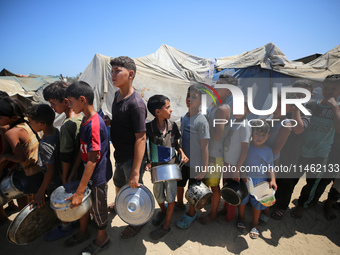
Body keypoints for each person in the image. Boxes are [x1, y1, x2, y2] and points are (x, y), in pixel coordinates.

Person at [63, 81, 112, 254]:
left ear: (82, 99)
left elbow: (92, 159)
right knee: (90, 206)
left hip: (97, 175)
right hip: (86, 172)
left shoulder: (94, 124)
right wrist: (76, 168)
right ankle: (85, 232)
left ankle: (102, 237)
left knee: (99, 207)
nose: (69, 105)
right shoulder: (85, 118)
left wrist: (79, 191)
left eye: (70, 101)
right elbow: (83, 149)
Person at [291, 74, 340, 218]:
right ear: (322, 88)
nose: (329, 91)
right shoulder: (312, 105)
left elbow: (338, 128)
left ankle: (301, 205)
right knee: (292, 178)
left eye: (334, 89)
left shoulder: (337, 110)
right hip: (303, 150)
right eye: (327, 88)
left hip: (321, 153)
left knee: (311, 183)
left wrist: (335, 106)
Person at [109, 56, 147, 239]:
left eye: (117, 71)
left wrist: (135, 171)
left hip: (132, 158)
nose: (112, 74)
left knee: (134, 190)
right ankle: (119, 205)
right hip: (120, 154)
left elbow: (141, 138)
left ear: (130, 74)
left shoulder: (136, 104)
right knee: (118, 183)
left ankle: (137, 221)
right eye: (112, 71)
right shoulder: (117, 96)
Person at [43, 80, 83, 241]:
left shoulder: (67, 125)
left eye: (53, 103)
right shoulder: (81, 117)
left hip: (71, 170)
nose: (52, 108)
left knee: (68, 198)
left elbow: (66, 157)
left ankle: (68, 226)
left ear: (66, 102)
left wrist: (65, 177)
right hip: (80, 166)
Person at [145, 94, 188, 239]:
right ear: (157, 112)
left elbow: (176, 143)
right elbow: (145, 148)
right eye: (167, 107)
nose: (171, 110)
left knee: (170, 196)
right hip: (156, 168)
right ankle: (162, 211)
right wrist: (147, 162)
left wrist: (181, 153)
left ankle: (166, 225)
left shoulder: (172, 126)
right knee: (158, 194)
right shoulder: (148, 128)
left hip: (171, 166)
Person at [271, 79, 314, 220]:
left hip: (291, 151)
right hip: (276, 148)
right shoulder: (283, 104)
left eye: (303, 94)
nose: (299, 96)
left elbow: (298, 129)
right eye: (297, 93)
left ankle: (281, 207)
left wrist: (296, 108)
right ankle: (269, 201)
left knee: (286, 181)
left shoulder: (306, 110)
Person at [198, 74, 232, 225]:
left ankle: (212, 214)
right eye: (216, 83)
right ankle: (210, 207)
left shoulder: (222, 109)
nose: (216, 87)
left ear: (229, 92)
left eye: (221, 85)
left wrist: (203, 126)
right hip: (209, 151)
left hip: (215, 153)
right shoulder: (215, 106)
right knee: (208, 183)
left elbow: (217, 135)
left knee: (214, 186)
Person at [176, 84, 209, 229]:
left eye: (194, 97)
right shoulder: (184, 116)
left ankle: (191, 213)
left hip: (196, 164)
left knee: (192, 190)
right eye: (188, 95)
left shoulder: (201, 121)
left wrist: (204, 168)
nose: (189, 99)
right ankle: (179, 205)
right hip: (183, 162)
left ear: (201, 101)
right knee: (179, 184)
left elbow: (205, 147)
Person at [0, 97, 43, 210]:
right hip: (41, 169)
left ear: (13, 117)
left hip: (32, 174)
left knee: (35, 205)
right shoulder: (26, 124)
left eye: (0, 117)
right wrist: (16, 164)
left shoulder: (11, 133)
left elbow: (21, 158)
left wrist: (5, 156)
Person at [236, 120, 277, 239]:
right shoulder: (246, 147)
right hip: (245, 181)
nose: (260, 137)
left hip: (261, 182)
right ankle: (241, 218)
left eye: (263, 135)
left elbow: (271, 166)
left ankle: (255, 224)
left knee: (257, 203)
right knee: (243, 200)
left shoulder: (268, 151)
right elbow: (241, 161)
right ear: (251, 133)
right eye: (257, 133)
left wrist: (273, 180)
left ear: (268, 136)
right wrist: (242, 172)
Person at [26, 104, 61, 208]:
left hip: (54, 184)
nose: (29, 124)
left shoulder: (45, 144)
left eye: (30, 122)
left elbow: (50, 170)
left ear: (42, 124)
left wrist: (41, 192)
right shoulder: (57, 131)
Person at [222, 99, 251, 222]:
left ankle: (229, 217)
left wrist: (237, 170)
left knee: (233, 192)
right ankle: (225, 209)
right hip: (227, 162)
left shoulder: (245, 126)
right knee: (226, 187)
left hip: (234, 165)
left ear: (248, 110)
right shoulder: (234, 122)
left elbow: (245, 150)